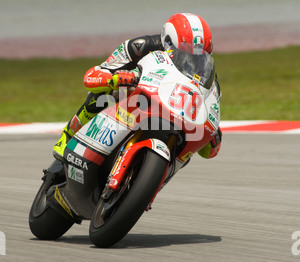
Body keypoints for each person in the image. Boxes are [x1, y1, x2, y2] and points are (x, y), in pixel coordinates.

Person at [53, 12, 222, 162]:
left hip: (171, 111)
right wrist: (114, 79)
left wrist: (213, 134)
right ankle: (69, 136)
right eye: (185, 51)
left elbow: (209, 153)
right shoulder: (139, 46)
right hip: (130, 97)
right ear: (168, 41)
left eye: (201, 54)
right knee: (103, 95)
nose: (192, 58)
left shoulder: (209, 80)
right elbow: (91, 77)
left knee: (189, 144)